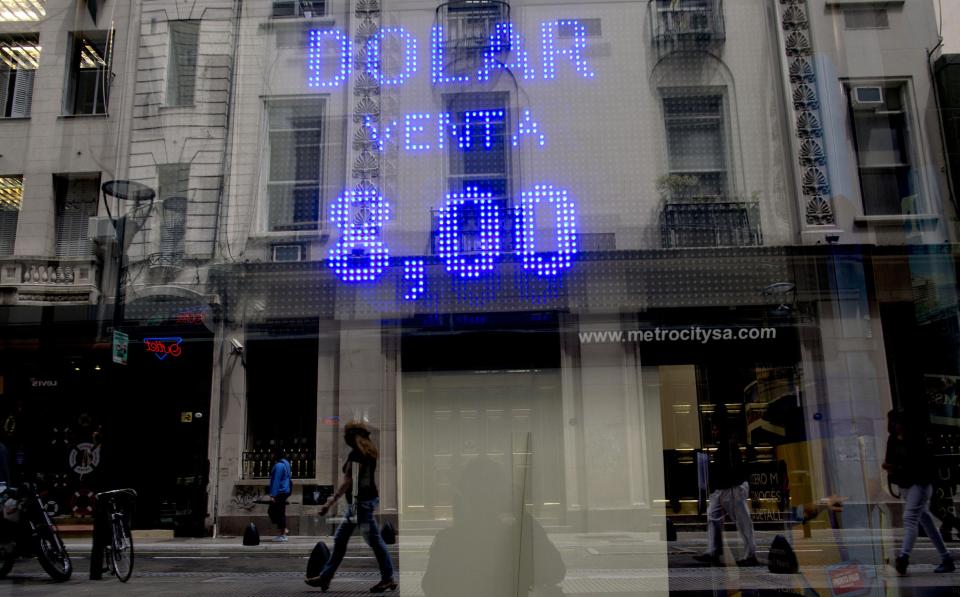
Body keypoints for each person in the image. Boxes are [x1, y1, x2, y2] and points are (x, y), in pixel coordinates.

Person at [305, 421, 396, 593]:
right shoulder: (369, 453)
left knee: (374, 541)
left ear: (353, 436)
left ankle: (388, 577)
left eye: (346, 435)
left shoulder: (356, 455)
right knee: (343, 540)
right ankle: (325, 577)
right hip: (363, 502)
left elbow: (348, 482)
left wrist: (329, 503)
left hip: (360, 504)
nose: (344, 438)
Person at [883, 410, 955, 575]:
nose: (895, 426)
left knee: (910, 518)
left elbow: (921, 464)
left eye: (897, 422)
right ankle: (946, 558)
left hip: (920, 484)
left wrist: (897, 467)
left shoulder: (916, 439)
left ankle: (904, 558)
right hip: (905, 484)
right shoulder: (892, 440)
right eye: (893, 422)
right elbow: (889, 461)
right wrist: (892, 468)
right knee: (926, 521)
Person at [694, 411, 760, 567]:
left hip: (732, 488)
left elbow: (732, 469)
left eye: (715, 429)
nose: (713, 432)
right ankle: (713, 551)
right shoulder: (725, 447)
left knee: (742, 521)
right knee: (713, 516)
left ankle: (750, 554)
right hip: (723, 489)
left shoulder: (729, 447)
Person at [267, 447, 292, 542]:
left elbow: (276, 481)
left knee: (273, 511)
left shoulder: (279, 466)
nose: (271, 455)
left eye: (273, 453)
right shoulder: (286, 464)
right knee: (280, 512)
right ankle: (283, 531)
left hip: (279, 492)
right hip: (285, 491)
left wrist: (273, 495)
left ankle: (283, 532)